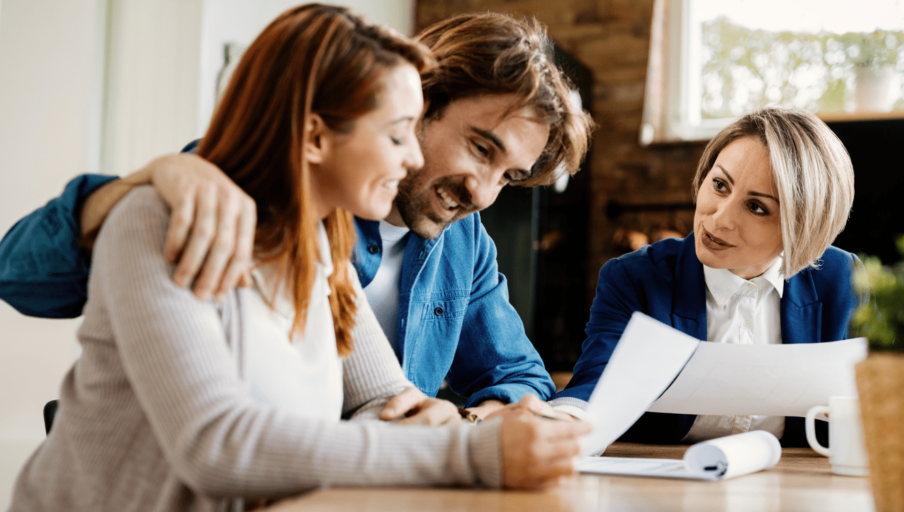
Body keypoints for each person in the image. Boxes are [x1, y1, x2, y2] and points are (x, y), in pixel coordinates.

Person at [9, 6, 588, 510]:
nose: (485, 194)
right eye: (396, 133)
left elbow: (384, 400)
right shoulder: (186, 207)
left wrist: (438, 430)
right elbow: (216, 444)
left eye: (508, 177)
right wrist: (462, 450)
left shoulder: (321, 240)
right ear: (315, 136)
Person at [547, 108, 860, 447]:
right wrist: (558, 425)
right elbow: (597, 382)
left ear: (802, 227)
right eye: (720, 184)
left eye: (756, 207)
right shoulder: (633, 278)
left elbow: (879, 399)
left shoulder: (844, 281)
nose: (719, 219)